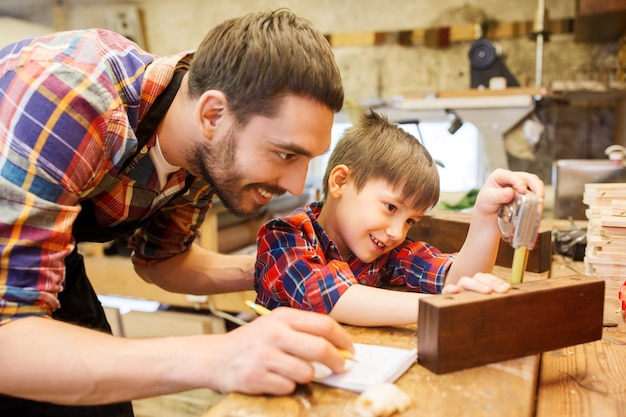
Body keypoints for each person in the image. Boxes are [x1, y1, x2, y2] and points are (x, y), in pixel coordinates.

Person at [0, 9, 355, 416]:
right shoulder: (69, 100)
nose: (296, 184)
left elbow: (162, 260)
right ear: (213, 114)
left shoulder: (202, 148)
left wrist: (285, 268)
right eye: (285, 153)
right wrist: (218, 358)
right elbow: (8, 336)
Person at [254, 110, 545, 327]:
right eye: (391, 208)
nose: (397, 232)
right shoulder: (284, 238)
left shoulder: (385, 252)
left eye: (410, 221)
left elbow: (459, 280)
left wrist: (485, 215)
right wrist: (444, 305)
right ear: (340, 182)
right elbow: (337, 299)